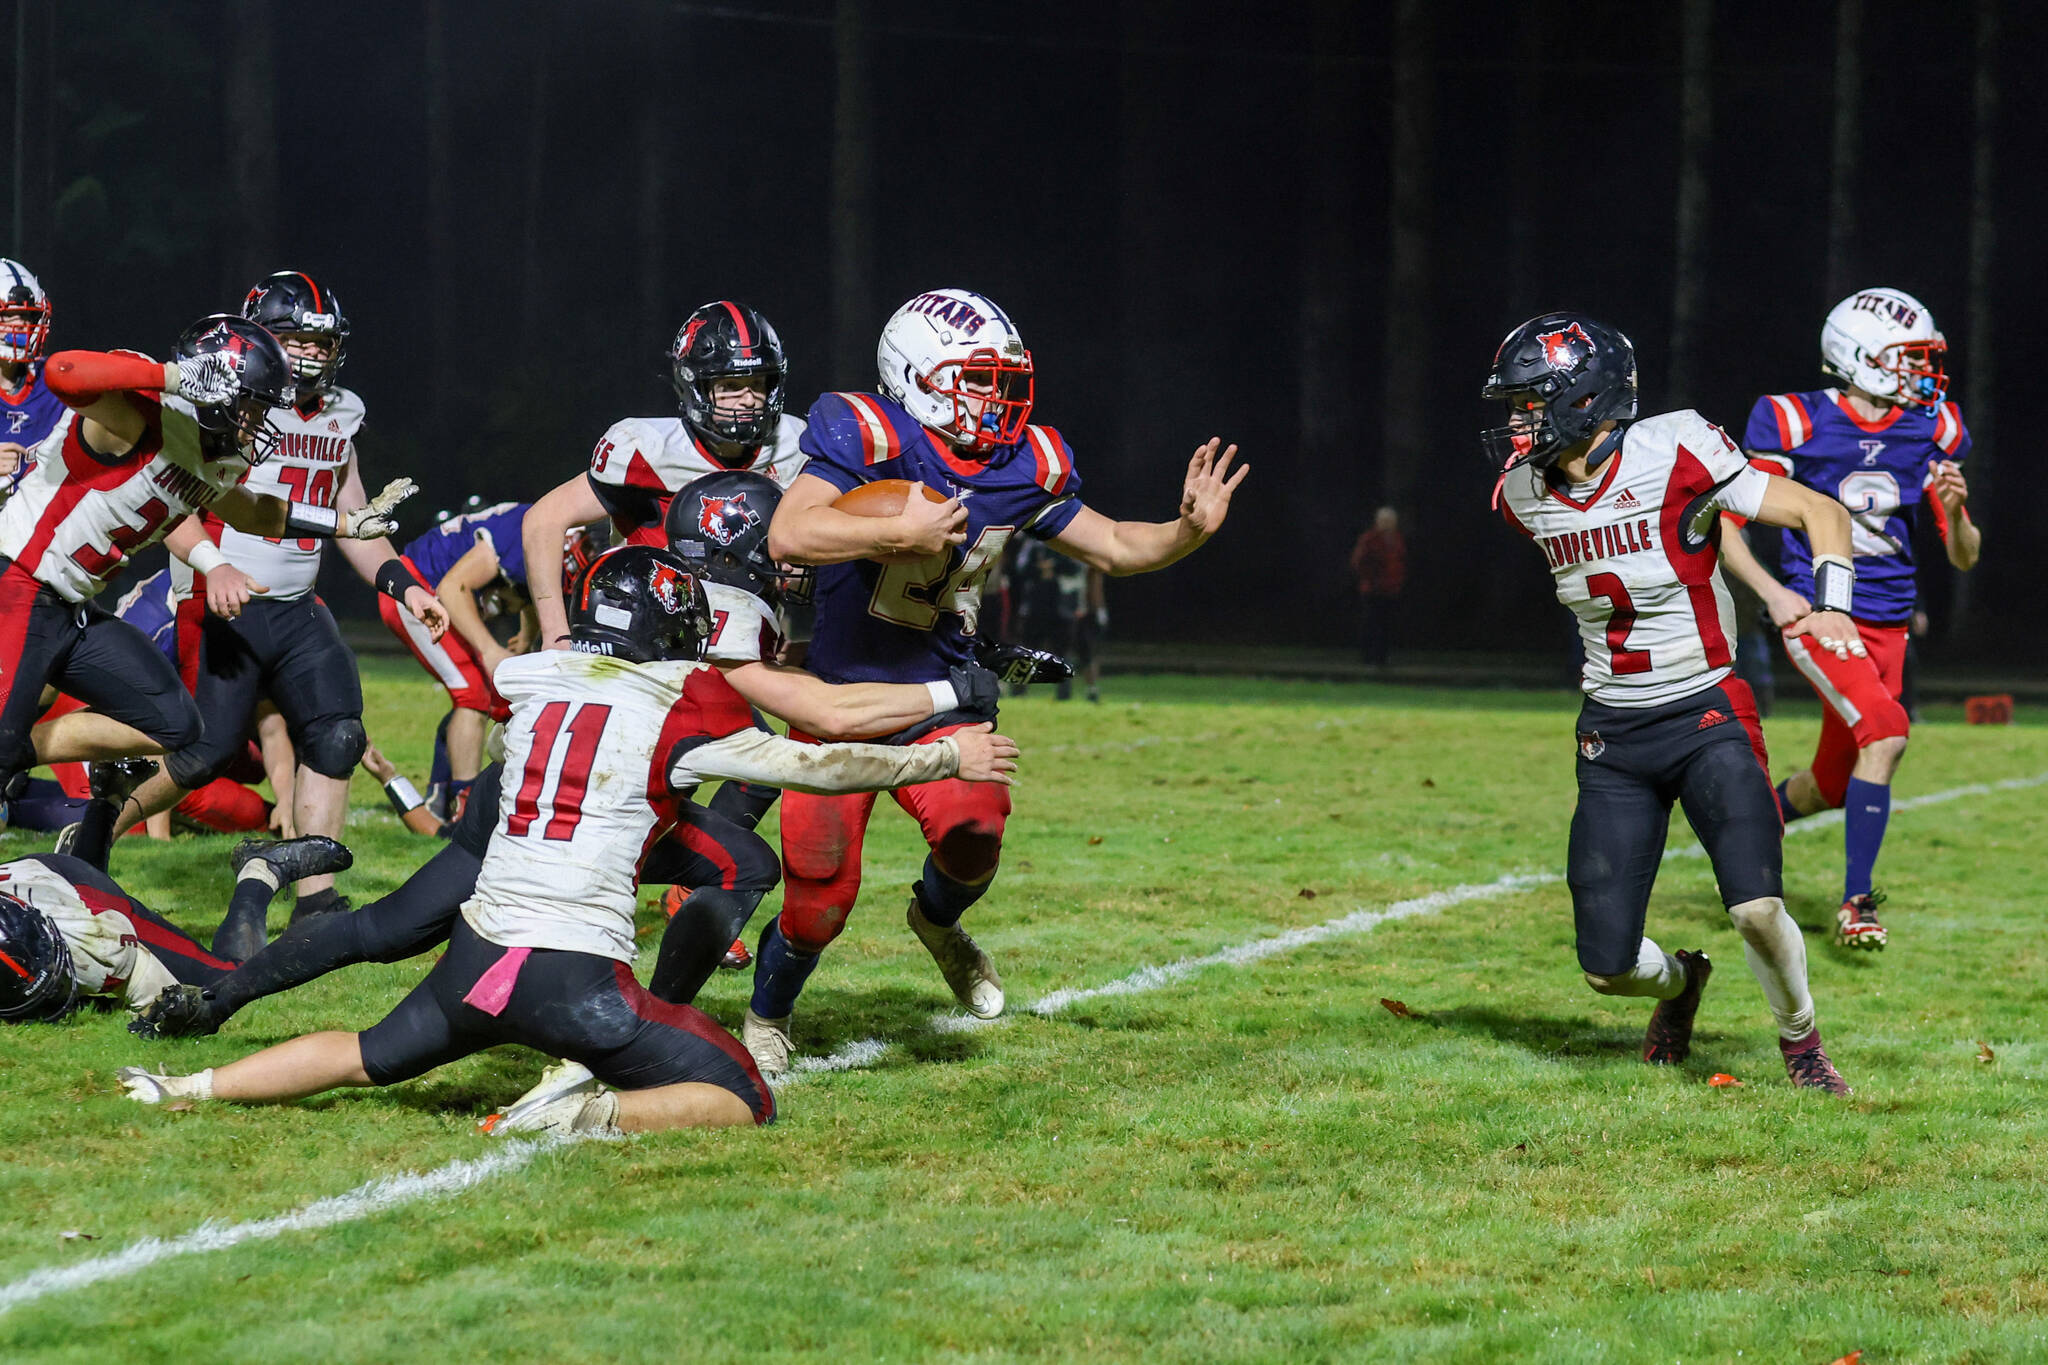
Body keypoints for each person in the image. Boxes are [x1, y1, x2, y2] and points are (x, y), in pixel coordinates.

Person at [118, 546, 1019, 1137]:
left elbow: (515, 671)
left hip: (478, 953)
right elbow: (817, 765)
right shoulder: (674, 708)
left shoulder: (534, 678)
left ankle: (187, 1088)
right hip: (574, 974)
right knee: (744, 1094)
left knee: (364, 1053)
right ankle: (577, 1114)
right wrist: (943, 753)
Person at [744, 286, 1247, 1077]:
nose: (997, 399)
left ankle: (937, 922)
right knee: (818, 900)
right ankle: (769, 1011)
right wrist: (895, 528)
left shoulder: (1022, 462)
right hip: (836, 698)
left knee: (977, 833)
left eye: (1003, 381)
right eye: (977, 380)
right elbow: (791, 529)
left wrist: (1185, 531)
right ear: (916, 376)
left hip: (938, 695)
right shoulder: (869, 432)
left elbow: (1114, 543)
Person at [1486, 311, 1856, 1093]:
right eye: (1512, 406)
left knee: (1757, 908)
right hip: (1612, 736)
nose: (1517, 423)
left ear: (1585, 398)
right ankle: (1684, 984)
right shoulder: (1523, 494)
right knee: (1606, 969)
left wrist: (1831, 602)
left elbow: (1819, 511)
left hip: (1705, 711)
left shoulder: (1676, 445)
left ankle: (1802, 1044)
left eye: (1530, 402)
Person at [112, 274, 447, 924]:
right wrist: (211, 568)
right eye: (295, 340)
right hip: (222, 602)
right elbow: (174, 496)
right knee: (204, 752)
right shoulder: (229, 402)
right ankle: (99, 824)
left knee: (338, 732)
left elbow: (354, 518)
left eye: (321, 343)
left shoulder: (342, 413)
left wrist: (405, 586)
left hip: (296, 606)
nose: (310, 356)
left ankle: (314, 897)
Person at [0, 315, 414, 792]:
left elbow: (255, 513)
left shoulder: (210, 455)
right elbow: (63, 372)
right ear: (215, 391)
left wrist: (344, 523)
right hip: (19, 581)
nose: (260, 424)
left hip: (70, 608)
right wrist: (171, 376)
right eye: (254, 408)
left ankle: (13, 750)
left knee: (176, 723)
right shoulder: (141, 413)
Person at [1716, 288, 1980, 949]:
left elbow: (1964, 556)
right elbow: (1730, 516)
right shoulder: (1793, 420)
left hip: (1889, 624)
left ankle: (1738, 831)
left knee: (1830, 784)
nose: (1921, 373)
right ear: (1857, 358)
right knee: (1887, 733)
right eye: (1907, 359)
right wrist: (1775, 593)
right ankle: (1857, 902)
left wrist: (1960, 511)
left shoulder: (1934, 426)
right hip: (1825, 615)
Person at [0, 822, 348, 1025]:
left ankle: (260, 870)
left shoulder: (91, 940)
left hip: (70, 890)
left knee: (228, 982)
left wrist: (167, 1014)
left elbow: (170, 999)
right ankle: (105, 804)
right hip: (28, 888)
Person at [378, 498, 554, 814]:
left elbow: (533, 587)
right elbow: (453, 586)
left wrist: (526, 637)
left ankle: (439, 795)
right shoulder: (525, 531)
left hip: (433, 589)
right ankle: (466, 808)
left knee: (477, 695)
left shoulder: (538, 526)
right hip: (419, 590)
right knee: (473, 696)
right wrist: (489, 649)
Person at [0, 259, 68, 500]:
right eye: (8, 316)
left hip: (47, 527)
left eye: (28, 315)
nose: (21, 325)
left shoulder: (56, 381)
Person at [1349, 506, 1406, 667]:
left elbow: (1400, 562)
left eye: (1390, 521)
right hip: (1373, 590)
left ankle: (1382, 658)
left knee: (1387, 626)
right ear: (1377, 521)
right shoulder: (1369, 539)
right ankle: (1368, 658)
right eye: (1384, 521)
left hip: (1391, 589)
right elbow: (1358, 563)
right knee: (1371, 624)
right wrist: (1371, 579)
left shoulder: (1398, 539)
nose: (1387, 524)